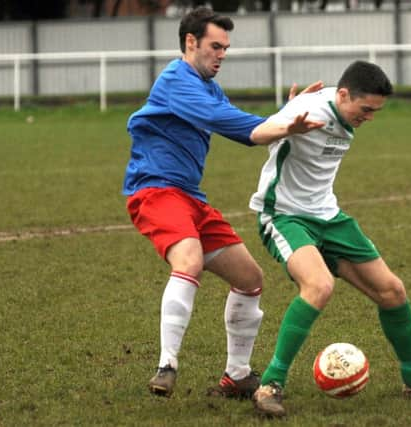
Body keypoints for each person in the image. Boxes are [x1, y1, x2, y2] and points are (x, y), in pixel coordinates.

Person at [248, 60, 411, 418]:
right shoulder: (307, 109)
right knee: (319, 286)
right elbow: (257, 134)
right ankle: (270, 385)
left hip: (329, 217)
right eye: (365, 109)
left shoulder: (342, 109)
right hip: (284, 215)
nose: (369, 117)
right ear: (342, 94)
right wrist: (287, 121)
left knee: (393, 291)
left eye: (376, 111)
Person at [122, 6, 323, 400]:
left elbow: (236, 120)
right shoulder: (176, 81)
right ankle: (166, 365)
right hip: (155, 190)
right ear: (191, 42)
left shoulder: (208, 88)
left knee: (250, 279)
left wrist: (285, 115)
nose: (222, 55)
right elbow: (240, 128)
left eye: (226, 48)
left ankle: (237, 375)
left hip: (190, 198)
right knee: (190, 260)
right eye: (216, 46)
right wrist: (283, 123)